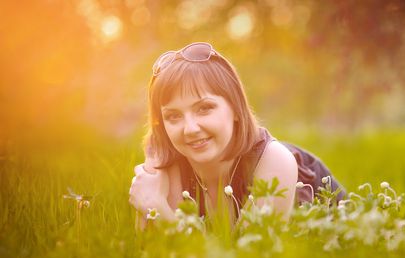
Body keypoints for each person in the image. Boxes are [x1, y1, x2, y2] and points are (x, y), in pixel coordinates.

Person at [129, 42, 346, 228]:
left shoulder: (273, 161)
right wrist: (151, 169)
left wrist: (158, 208)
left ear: (234, 107)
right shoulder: (167, 167)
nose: (190, 128)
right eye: (173, 116)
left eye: (204, 108)